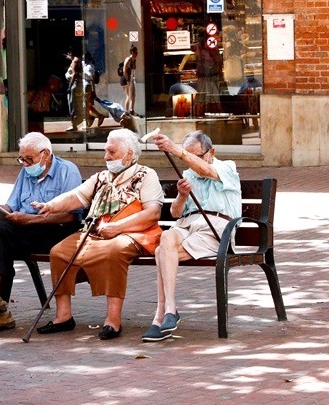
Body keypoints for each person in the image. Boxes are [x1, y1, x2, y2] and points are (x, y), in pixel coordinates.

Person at [33, 129, 163, 340]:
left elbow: (153, 213)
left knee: (114, 251)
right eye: (105, 152)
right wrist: (50, 205)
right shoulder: (101, 177)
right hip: (97, 232)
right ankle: (63, 316)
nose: (106, 157)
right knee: (58, 252)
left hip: (132, 232)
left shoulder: (147, 175)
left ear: (129, 154)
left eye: (111, 152)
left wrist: (118, 227)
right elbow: (76, 196)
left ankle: (113, 320)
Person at [141, 131, 241, 342]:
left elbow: (206, 170)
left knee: (161, 252)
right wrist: (182, 195)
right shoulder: (187, 175)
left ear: (211, 152)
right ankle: (170, 309)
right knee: (166, 238)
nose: (192, 160)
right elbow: (176, 213)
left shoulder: (226, 167)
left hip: (215, 228)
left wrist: (174, 149)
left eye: (196, 155)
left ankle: (161, 315)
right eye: (188, 155)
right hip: (187, 225)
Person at [0, 132, 82, 331]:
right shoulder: (25, 172)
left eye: (29, 159)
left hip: (56, 231)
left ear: (45, 154)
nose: (25, 164)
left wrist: (33, 219)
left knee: (0, 234)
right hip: (26, 228)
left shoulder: (67, 171)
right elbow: (12, 205)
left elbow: (72, 215)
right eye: (22, 159)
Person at [192, 29, 223, 115]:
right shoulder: (211, 45)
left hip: (203, 76)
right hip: (211, 76)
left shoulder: (197, 46)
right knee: (213, 98)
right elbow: (218, 60)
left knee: (202, 98)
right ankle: (213, 116)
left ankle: (201, 115)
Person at [83, 52, 106, 128]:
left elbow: (91, 78)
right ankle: (91, 119)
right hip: (84, 87)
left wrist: (93, 91)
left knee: (87, 105)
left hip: (87, 87)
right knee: (87, 106)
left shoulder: (90, 66)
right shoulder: (84, 64)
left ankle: (97, 116)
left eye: (84, 57)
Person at [65, 54, 84, 131]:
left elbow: (74, 74)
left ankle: (74, 124)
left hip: (74, 85)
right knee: (74, 104)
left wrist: (70, 87)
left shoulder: (75, 61)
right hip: (76, 85)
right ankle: (74, 124)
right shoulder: (76, 60)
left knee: (73, 105)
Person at [122, 45, 138, 116]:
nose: (136, 54)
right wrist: (127, 80)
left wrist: (134, 77)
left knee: (133, 95)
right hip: (126, 79)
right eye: (135, 52)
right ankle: (126, 112)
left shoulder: (134, 60)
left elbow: (133, 70)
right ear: (131, 52)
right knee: (128, 95)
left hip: (131, 79)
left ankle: (132, 109)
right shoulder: (128, 59)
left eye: (136, 52)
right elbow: (124, 70)